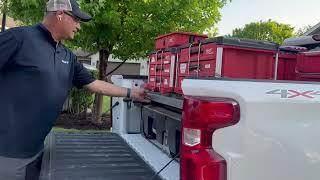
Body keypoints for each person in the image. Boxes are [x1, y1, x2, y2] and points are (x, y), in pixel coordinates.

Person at [0, 0, 150, 179]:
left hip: (39, 149)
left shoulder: (67, 56)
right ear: (60, 13)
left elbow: (94, 84)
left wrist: (132, 93)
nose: (79, 26)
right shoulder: (19, 38)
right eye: (77, 19)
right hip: (7, 154)